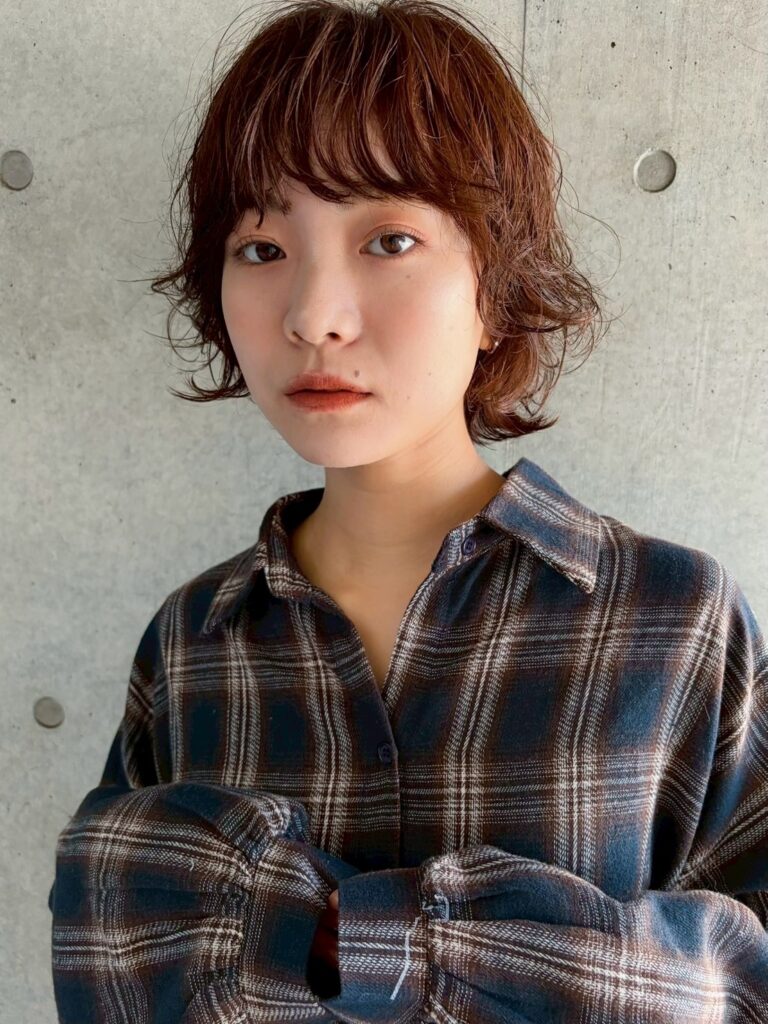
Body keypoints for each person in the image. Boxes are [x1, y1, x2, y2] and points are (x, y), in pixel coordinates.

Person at [48, 0, 768, 1021]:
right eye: (261, 248)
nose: (313, 315)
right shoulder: (192, 644)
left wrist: (353, 937)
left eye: (388, 239)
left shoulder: (673, 620)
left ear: (495, 289)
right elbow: (109, 969)